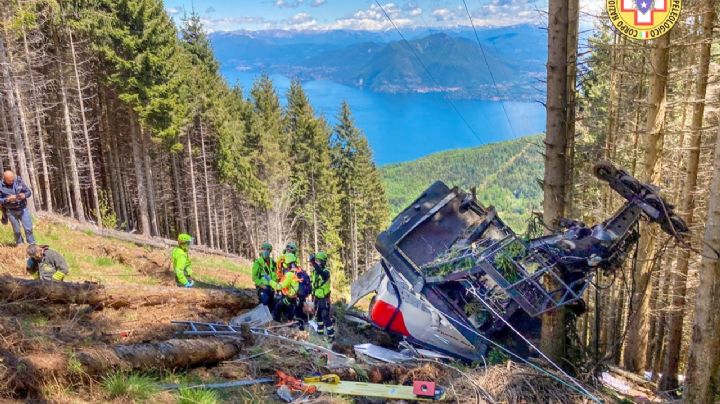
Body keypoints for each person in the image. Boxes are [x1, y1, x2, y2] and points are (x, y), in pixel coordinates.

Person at [0, 170, 35, 246]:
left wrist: (24, 195)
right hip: (10, 211)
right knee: (17, 230)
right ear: (4, 179)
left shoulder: (19, 181)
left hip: (23, 209)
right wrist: (7, 199)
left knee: (28, 228)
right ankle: (20, 245)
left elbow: (28, 192)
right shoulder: (0, 186)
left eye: (13, 179)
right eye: (9, 181)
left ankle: (32, 245)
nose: (12, 181)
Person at [270, 252, 301, 325]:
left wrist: (270, 281)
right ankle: (289, 319)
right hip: (293, 296)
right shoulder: (296, 271)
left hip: (289, 297)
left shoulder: (289, 274)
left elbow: (279, 286)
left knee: (278, 306)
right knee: (288, 308)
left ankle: (277, 321)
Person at [310, 251, 334, 341]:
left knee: (325, 317)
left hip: (324, 299)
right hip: (317, 297)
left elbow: (321, 273)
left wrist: (313, 263)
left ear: (323, 262)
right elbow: (314, 284)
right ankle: (320, 334)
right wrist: (312, 295)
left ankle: (331, 336)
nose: (317, 263)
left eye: (319, 261)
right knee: (318, 317)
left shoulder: (326, 272)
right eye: (316, 261)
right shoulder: (314, 272)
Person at [252, 242, 277, 308]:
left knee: (272, 305)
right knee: (265, 302)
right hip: (263, 287)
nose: (265, 251)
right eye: (264, 249)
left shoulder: (273, 262)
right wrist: (261, 285)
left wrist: (276, 285)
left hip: (272, 287)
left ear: (270, 251)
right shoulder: (258, 262)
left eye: (267, 249)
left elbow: (275, 274)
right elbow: (254, 277)